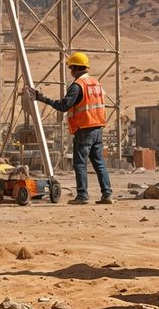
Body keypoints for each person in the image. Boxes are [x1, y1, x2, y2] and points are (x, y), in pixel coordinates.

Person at [36, 51, 112, 204]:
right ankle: (107, 194)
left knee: (79, 163)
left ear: (75, 68)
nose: (70, 72)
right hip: (98, 128)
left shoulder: (78, 86)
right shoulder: (96, 83)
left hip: (84, 128)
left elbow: (63, 106)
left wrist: (42, 99)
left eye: (71, 68)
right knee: (99, 164)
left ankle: (82, 196)